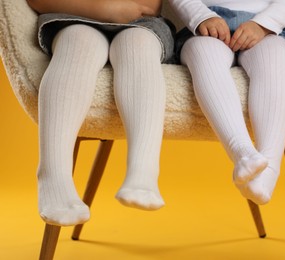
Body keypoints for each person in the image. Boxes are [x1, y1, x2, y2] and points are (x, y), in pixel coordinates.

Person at [26, 0, 175, 226]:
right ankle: (53, 175)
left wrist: (121, 10)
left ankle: (144, 169)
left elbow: (149, 6)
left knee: (138, 45)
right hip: (74, 14)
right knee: (78, 44)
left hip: (140, 23)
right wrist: (105, 9)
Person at [169, 0, 285, 205]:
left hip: (266, 27)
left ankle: (269, 168)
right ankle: (242, 153)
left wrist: (264, 24)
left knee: (273, 60)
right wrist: (201, 16)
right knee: (204, 55)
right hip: (207, 23)